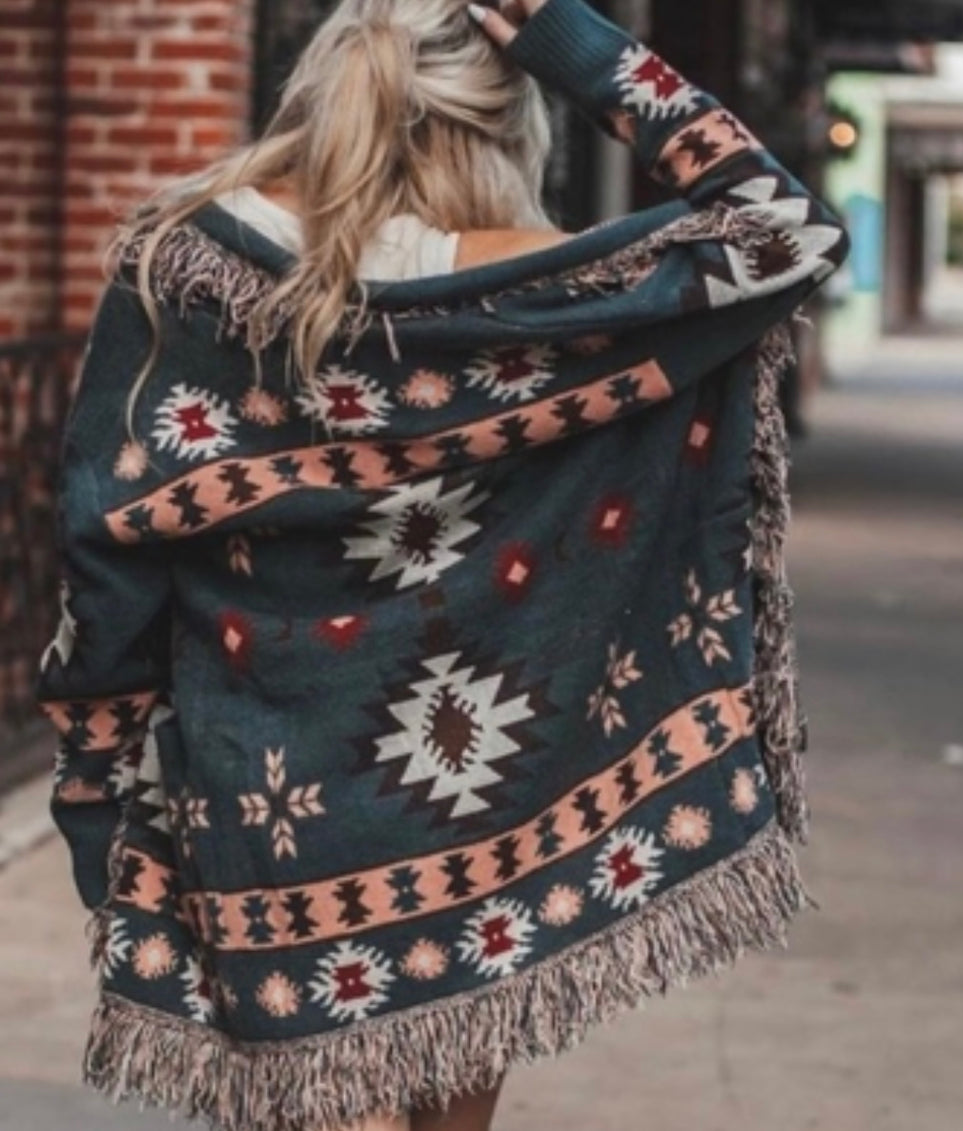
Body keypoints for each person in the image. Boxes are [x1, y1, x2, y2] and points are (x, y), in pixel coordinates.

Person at [33, 2, 849, 1130]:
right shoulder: (535, 301)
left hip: (268, 824)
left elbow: (103, 563)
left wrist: (101, 808)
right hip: (480, 825)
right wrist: (576, 42)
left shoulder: (183, 275)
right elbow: (786, 232)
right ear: (509, 125)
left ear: (318, 89)